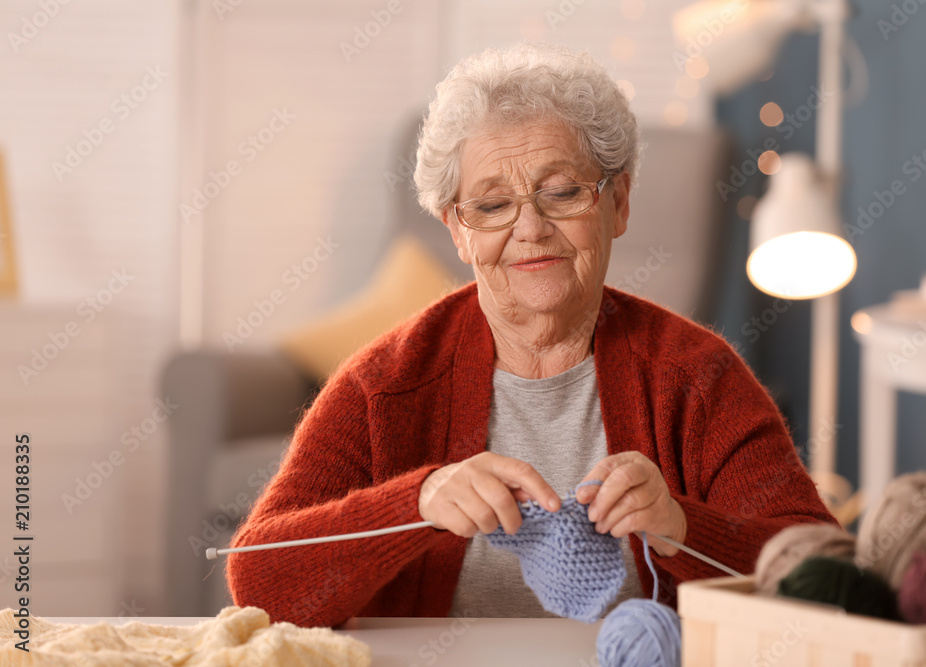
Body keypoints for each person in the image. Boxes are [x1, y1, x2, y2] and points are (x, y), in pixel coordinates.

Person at [226, 43, 837, 627]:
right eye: (491, 206)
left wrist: (681, 527)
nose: (530, 229)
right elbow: (258, 581)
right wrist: (414, 504)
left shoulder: (697, 376)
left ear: (618, 202)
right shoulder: (387, 383)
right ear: (458, 230)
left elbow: (825, 575)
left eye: (562, 192)